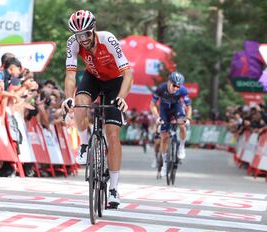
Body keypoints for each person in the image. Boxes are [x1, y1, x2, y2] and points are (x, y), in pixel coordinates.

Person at [61, 10, 133, 208]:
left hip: (115, 82)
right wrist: (68, 97)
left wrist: (121, 98)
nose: (83, 39)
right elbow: (70, 74)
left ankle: (114, 188)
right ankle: (84, 144)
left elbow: (128, 74)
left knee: (112, 134)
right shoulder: (72, 43)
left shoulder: (108, 39)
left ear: (94, 29)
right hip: (93, 78)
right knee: (79, 101)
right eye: (79, 35)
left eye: (86, 34)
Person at [150, 71, 192, 177]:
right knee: (164, 137)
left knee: (182, 125)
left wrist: (188, 118)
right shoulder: (161, 88)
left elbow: (188, 106)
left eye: (178, 86)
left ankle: (182, 146)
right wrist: (157, 117)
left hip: (176, 108)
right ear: (169, 82)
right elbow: (152, 104)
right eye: (174, 85)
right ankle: (164, 164)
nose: (175, 88)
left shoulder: (182, 90)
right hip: (164, 110)